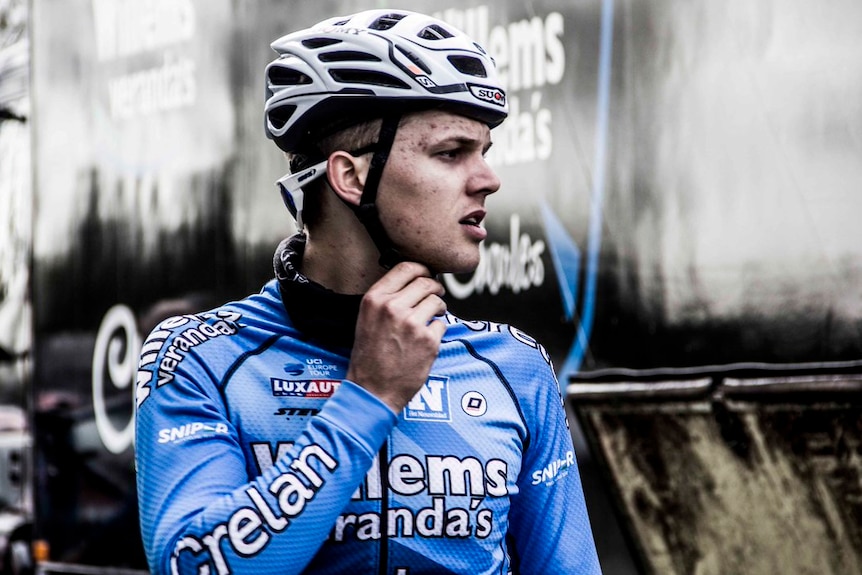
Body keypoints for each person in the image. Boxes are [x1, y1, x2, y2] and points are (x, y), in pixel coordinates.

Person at [135, 8, 602, 575]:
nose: (488, 179)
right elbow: (195, 566)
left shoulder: (517, 367)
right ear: (350, 177)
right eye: (451, 153)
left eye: (485, 152)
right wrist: (368, 398)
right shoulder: (198, 356)